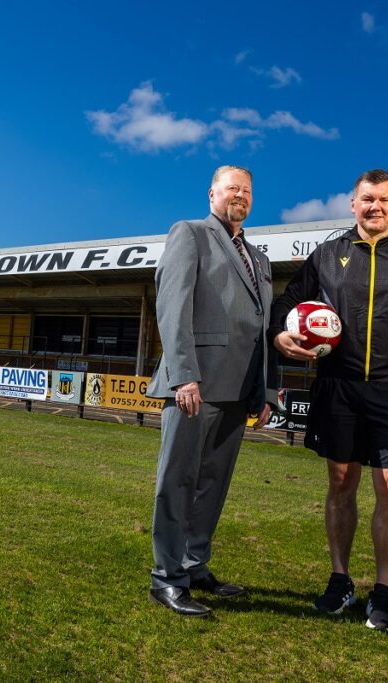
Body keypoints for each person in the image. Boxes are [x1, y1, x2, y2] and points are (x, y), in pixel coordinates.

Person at [270, 169, 388, 632]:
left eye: (385, 200)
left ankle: (384, 592)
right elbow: (286, 303)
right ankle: (340, 580)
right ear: (353, 204)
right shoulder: (328, 255)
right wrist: (280, 335)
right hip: (338, 383)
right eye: (367, 199)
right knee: (341, 481)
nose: (376, 207)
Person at [145, 165, 277, 617]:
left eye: (246, 190)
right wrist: (184, 373)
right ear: (212, 194)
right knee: (177, 481)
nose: (239, 196)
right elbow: (173, 303)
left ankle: (194, 565)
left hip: (238, 390)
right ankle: (166, 577)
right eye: (231, 189)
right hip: (194, 385)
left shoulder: (258, 258)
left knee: (212, 486)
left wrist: (267, 389)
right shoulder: (190, 234)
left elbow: (264, 329)